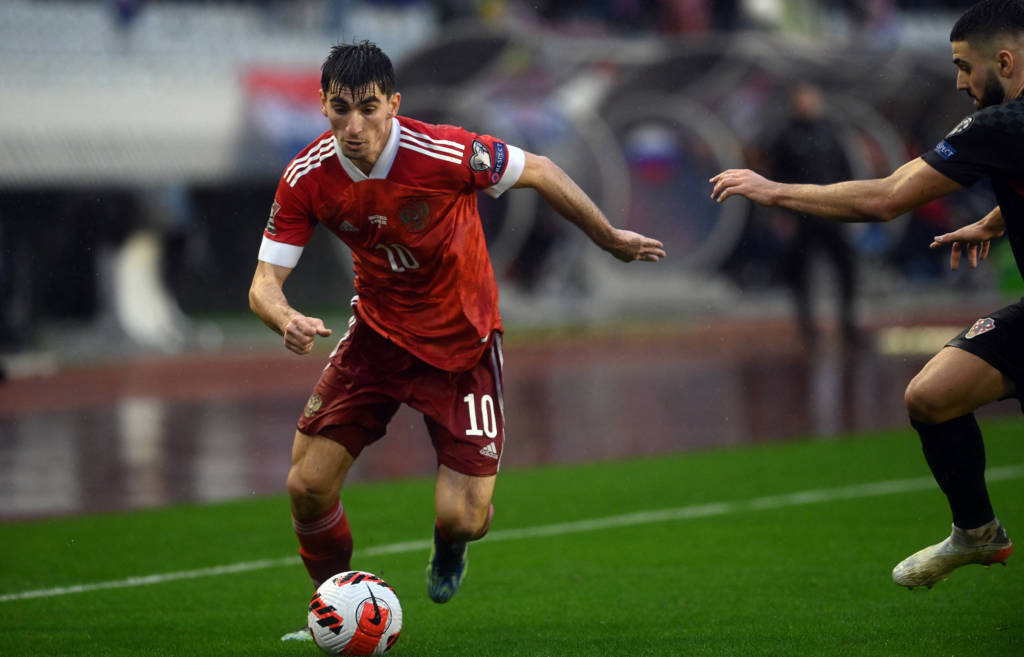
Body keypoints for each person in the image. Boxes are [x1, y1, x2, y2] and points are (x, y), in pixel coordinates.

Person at [248, 41, 665, 639]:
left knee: (464, 516)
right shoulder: (308, 176)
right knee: (307, 486)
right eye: (341, 109)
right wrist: (284, 317)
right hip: (377, 338)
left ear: (394, 104)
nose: (354, 126)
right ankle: (333, 609)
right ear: (322, 105)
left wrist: (608, 238)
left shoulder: (444, 151)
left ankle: (450, 546)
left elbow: (541, 170)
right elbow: (263, 284)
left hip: (462, 345)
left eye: (368, 108)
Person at [710, 0, 1022, 590]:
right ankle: (977, 532)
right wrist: (995, 220)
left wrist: (773, 191)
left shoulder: (1001, 123)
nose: (959, 83)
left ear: (1003, 62)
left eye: (964, 67)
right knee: (932, 396)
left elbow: (885, 198)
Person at [767, 81, 858, 346]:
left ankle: (848, 323)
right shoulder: (785, 135)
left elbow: (845, 169)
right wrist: (782, 214)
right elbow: (776, 177)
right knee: (800, 272)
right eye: (801, 100)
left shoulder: (831, 131)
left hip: (833, 212)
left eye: (810, 99)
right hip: (801, 215)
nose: (806, 104)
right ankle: (807, 327)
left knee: (846, 268)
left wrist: (851, 207)